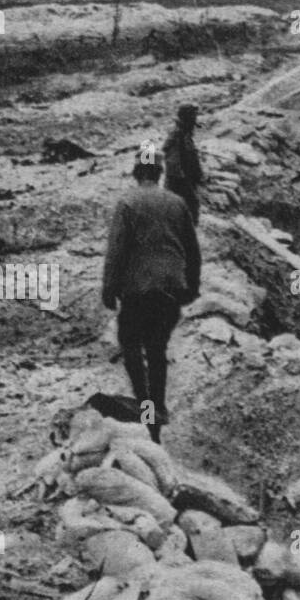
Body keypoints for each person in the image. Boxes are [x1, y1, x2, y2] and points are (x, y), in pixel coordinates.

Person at [102, 157, 201, 443]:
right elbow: (192, 250)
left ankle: (146, 411)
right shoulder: (177, 203)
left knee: (131, 347)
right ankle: (156, 414)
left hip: (138, 291)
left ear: (136, 173)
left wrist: (109, 289)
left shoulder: (127, 203)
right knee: (157, 351)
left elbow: (116, 252)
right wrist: (191, 286)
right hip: (170, 288)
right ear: (159, 174)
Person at [163, 104, 203, 223]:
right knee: (188, 209)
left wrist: (198, 174)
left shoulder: (185, 134)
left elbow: (190, 157)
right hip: (179, 183)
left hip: (186, 180)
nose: (195, 120)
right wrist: (185, 184)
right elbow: (173, 164)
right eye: (193, 117)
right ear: (187, 118)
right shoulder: (177, 135)